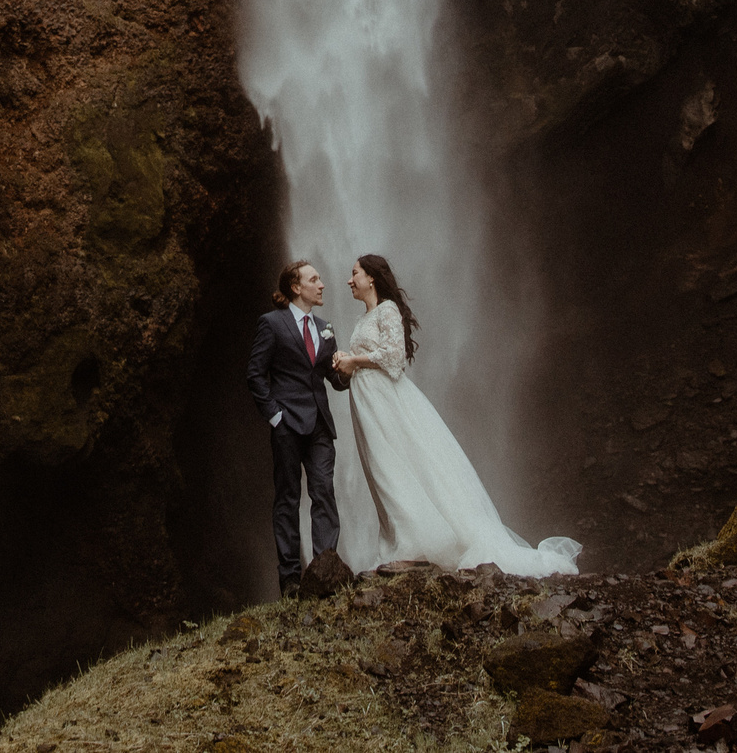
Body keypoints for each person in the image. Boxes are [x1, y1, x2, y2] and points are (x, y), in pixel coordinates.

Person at [330, 254, 580, 577]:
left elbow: (394, 360)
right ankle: (399, 543)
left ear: (372, 278)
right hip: (368, 405)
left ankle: (414, 548)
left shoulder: (387, 310)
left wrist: (355, 360)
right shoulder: (363, 318)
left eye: (354, 274)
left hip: (389, 404)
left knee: (396, 467)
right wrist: (346, 362)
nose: (349, 280)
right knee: (380, 471)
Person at [246, 259, 348, 597]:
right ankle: (290, 578)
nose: (321, 285)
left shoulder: (325, 328)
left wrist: (349, 368)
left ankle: (325, 570)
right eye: (314, 279)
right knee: (288, 498)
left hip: (319, 423)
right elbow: (256, 374)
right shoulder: (272, 324)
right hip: (287, 423)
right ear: (295, 286)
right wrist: (275, 416)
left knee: (323, 492)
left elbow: (334, 379)